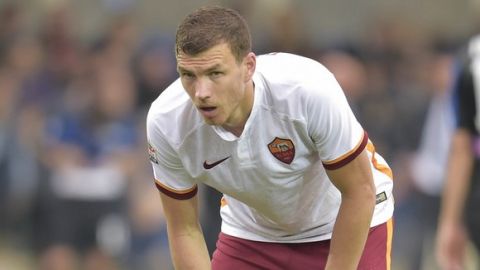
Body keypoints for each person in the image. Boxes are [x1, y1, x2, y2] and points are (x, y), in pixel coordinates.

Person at [146, 6, 394, 270]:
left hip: (347, 220)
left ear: (249, 66)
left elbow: (359, 192)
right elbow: (184, 229)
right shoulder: (167, 122)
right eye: (188, 76)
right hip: (253, 237)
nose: (201, 92)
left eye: (215, 73)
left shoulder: (307, 90)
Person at [436, 34, 480, 270]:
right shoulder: (469, 60)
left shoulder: (471, 57)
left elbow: (462, 147)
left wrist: (450, 222)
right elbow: (462, 147)